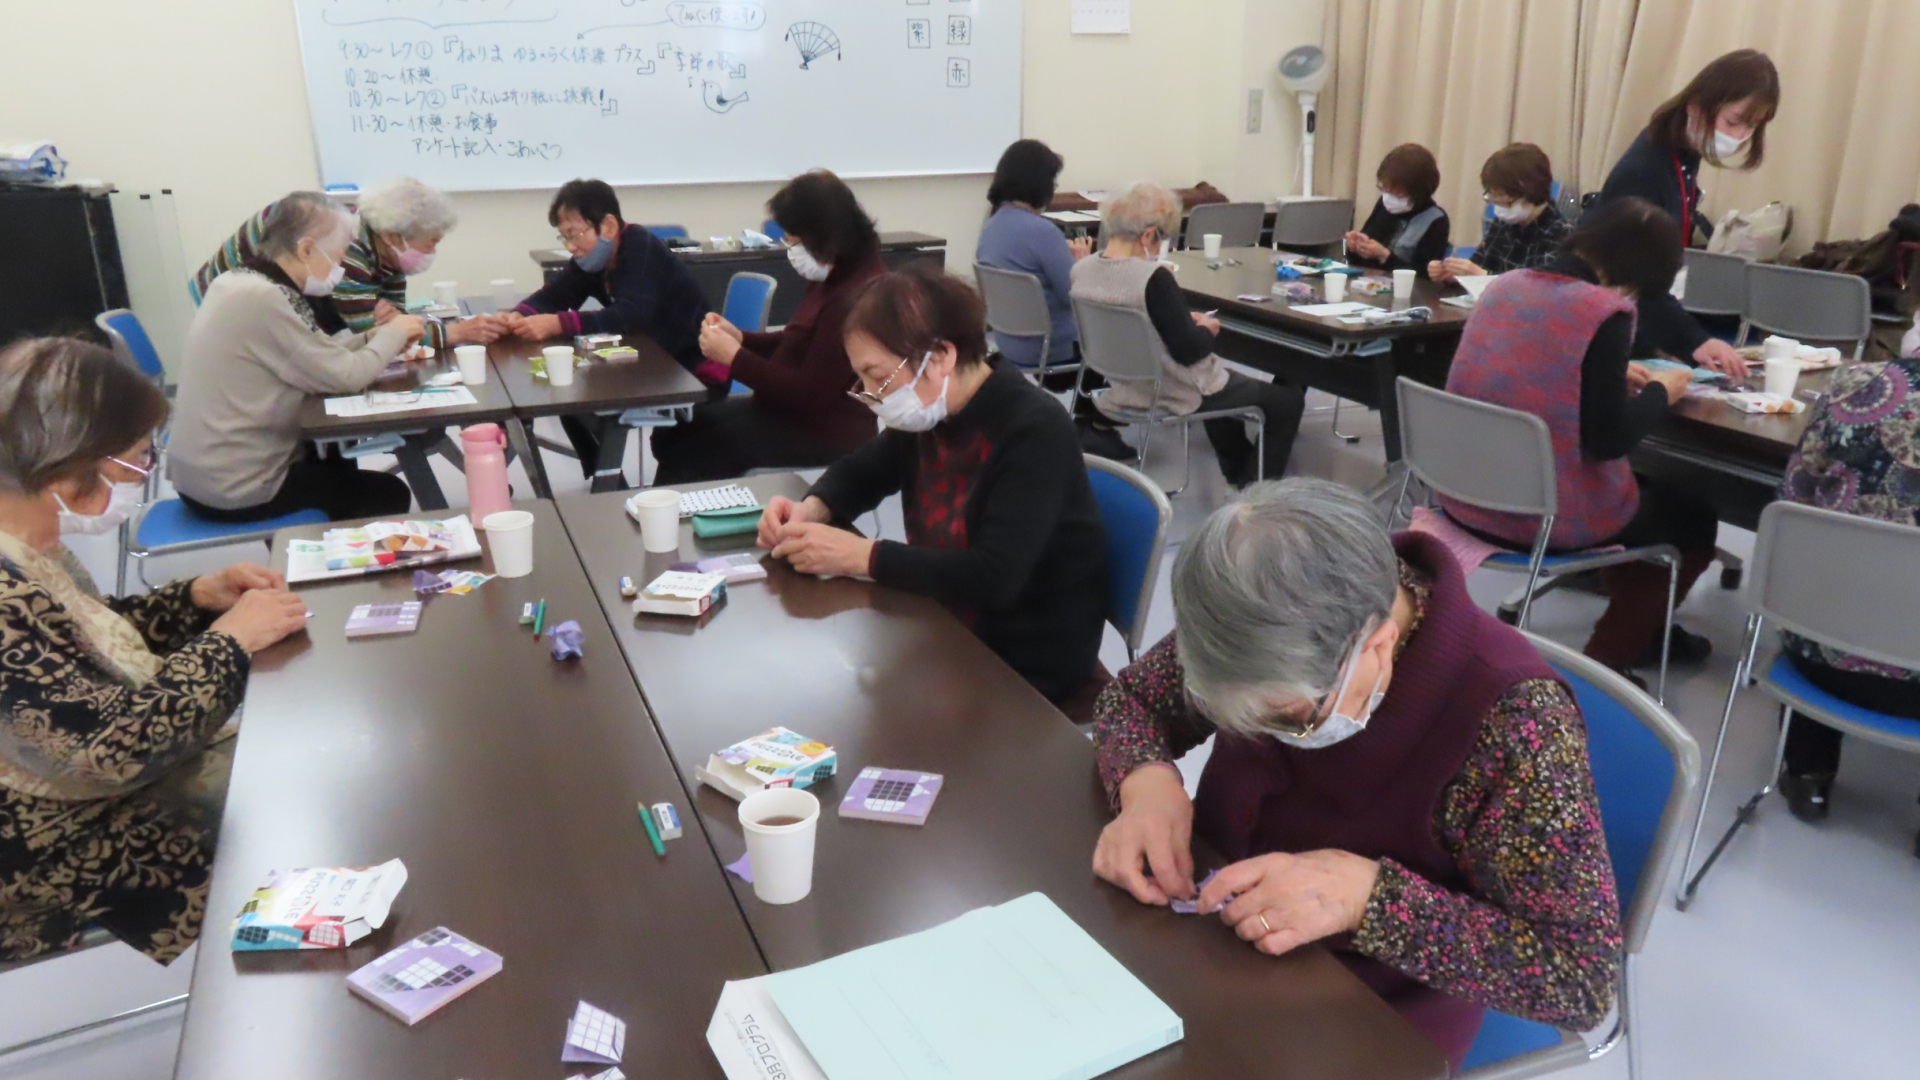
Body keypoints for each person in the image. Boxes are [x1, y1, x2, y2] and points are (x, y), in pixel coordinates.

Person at [1090, 478, 1620, 1070]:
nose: (1262, 734)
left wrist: (1370, 899)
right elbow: (1134, 701)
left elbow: (1579, 977)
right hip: (1212, 937)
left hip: (1369, 1011)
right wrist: (1147, 783)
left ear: (1378, 647)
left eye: (1288, 719)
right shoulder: (1260, 597)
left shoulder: (1516, 721)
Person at [0, 337, 311, 965]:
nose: (139, 480)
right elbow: (109, 753)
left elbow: (86, 644)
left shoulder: (26, 540)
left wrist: (196, 601)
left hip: (84, 783)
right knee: (303, 796)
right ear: (70, 461)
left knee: (303, 757)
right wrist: (229, 642)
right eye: (136, 461)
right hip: (49, 844)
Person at [756, 266, 1108, 708]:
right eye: (863, 379)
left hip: (1024, 654)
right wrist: (811, 508)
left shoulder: (1033, 430)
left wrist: (861, 555)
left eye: (878, 377)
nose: (873, 394)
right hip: (949, 620)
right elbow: (863, 472)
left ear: (940, 356)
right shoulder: (934, 411)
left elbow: (994, 578)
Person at [1437, 198, 1718, 680]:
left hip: (1463, 493)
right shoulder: (1604, 310)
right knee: (1691, 518)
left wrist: (1604, 373)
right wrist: (1660, 391)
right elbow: (1610, 441)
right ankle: (1608, 661)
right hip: (1540, 517)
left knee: (1646, 498)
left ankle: (1643, 626)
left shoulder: (1505, 286)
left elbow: (1524, 368)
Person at [170, 192, 424, 521]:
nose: (341, 268)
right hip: (233, 487)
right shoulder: (264, 299)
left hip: (203, 474)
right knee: (386, 493)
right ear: (306, 249)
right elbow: (348, 376)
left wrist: (369, 338)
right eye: (340, 255)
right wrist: (395, 331)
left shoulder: (240, 281)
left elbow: (315, 355)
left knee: (336, 463)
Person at [652, 170, 888, 484]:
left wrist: (734, 357)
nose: (790, 248)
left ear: (821, 234)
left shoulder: (855, 296)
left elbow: (807, 394)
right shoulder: (834, 270)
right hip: (785, 414)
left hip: (822, 432)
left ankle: (678, 511)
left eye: (794, 240)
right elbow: (798, 340)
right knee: (675, 430)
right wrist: (741, 338)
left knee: (692, 453)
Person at [1070, 181, 1304, 487]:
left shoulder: (1082, 270)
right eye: (1162, 240)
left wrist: (1179, 319)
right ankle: (1256, 491)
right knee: (1286, 403)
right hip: (1174, 389)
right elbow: (1190, 351)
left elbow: (1134, 322)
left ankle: (1242, 478)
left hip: (1125, 386)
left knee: (1227, 389)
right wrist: (1206, 328)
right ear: (1148, 235)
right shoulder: (1153, 278)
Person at [1772, 350, 1920, 823]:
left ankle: (1808, 776)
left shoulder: (1855, 384)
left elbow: (1792, 502)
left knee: (1823, 580)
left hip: (1824, 655)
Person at [501, 179, 716, 476]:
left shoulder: (640, 248)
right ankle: (605, 477)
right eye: (564, 237)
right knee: (563, 384)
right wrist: (516, 316)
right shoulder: (594, 259)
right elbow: (554, 295)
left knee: (572, 388)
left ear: (609, 226)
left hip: (687, 366)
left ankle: (607, 479)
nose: (571, 247)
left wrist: (557, 323)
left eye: (575, 235)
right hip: (647, 356)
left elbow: (632, 314)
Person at [1597, 49, 1780, 378]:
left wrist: (1687, 342)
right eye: (1733, 122)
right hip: (1614, 329)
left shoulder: (1683, 156)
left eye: (1751, 126)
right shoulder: (1646, 169)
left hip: (1642, 321)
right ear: (1696, 106)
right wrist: (1693, 341)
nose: (1740, 136)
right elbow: (1632, 280)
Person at [191, 177, 504, 351]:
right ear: (394, 236)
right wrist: (454, 334)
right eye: (431, 242)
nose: (433, 251)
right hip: (227, 299)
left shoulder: (386, 249)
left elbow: (395, 318)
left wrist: (395, 321)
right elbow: (371, 335)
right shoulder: (349, 243)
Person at [974, 140, 1129, 460]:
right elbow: (1078, 296)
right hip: (1055, 353)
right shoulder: (1043, 231)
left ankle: (1088, 421)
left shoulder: (990, 227)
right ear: (1040, 183)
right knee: (1126, 334)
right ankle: (1098, 426)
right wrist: (1085, 263)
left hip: (1011, 345)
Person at [1429, 143, 1571, 282]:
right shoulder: (1503, 224)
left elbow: (1539, 287)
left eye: (1502, 196)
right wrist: (1454, 274)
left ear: (1531, 192)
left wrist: (1482, 275)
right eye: (1493, 196)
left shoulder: (1561, 234)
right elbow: (1479, 262)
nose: (1498, 203)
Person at [1344, 144, 1450, 275]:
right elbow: (1360, 263)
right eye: (1386, 188)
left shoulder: (1436, 220)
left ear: (1418, 190)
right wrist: (1356, 248)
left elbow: (1426, 276)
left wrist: (1385, 256)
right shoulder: (1384, 205)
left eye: (1397, 191)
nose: (1390, 196)